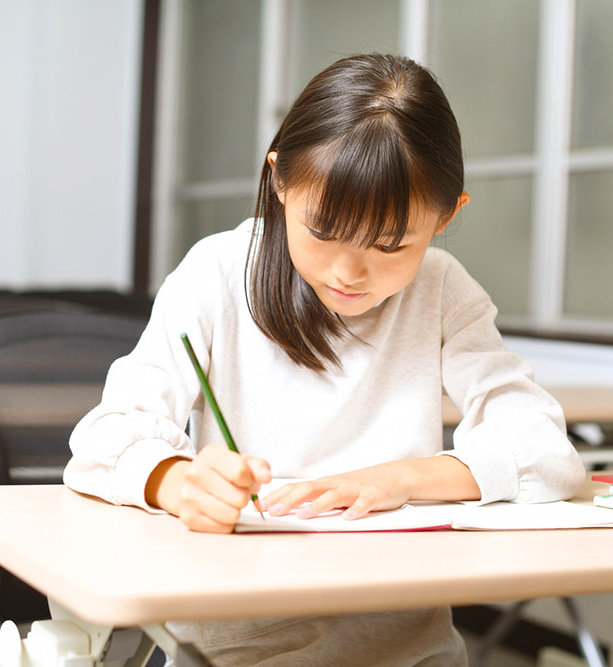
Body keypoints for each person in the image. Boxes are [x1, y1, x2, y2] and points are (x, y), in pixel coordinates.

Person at [65, 52, 586, 666]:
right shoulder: (216, 274)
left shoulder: (442, 289)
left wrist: (400, 478)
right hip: (239, 644)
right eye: (323, 230)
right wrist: (177, 483)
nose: (349, 273)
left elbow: (546, 453)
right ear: (281, 180)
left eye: (391, 245)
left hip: (410, 648)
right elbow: (104, 437)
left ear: (448, 215)